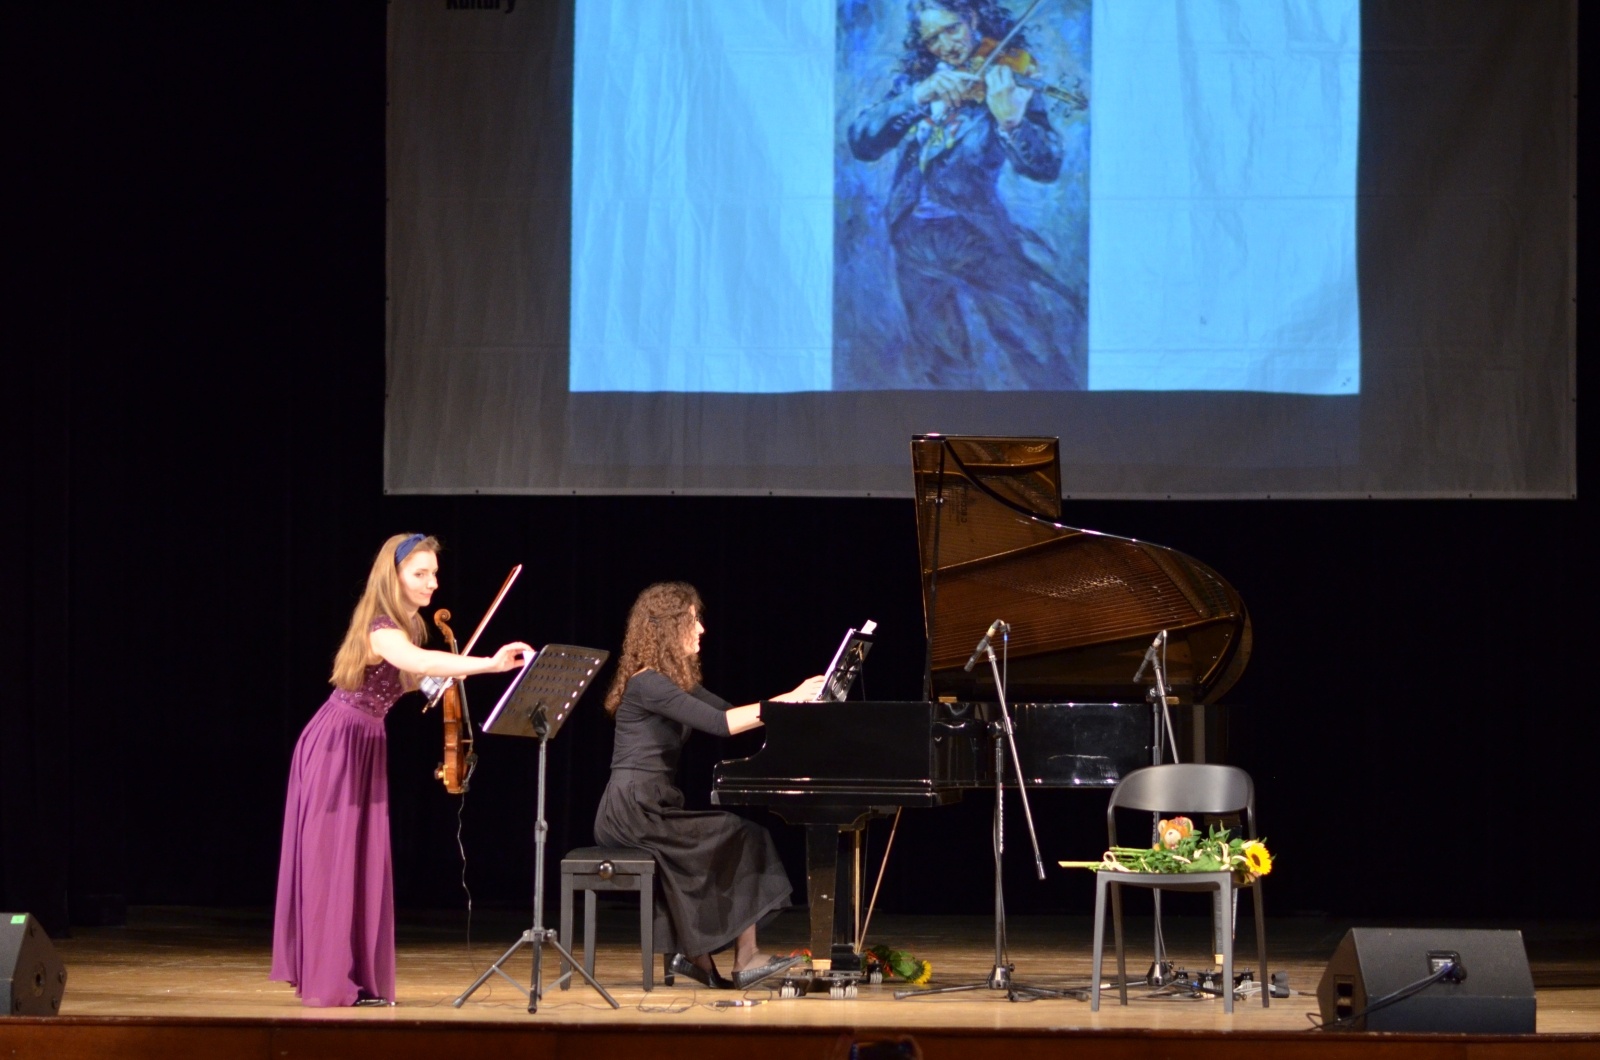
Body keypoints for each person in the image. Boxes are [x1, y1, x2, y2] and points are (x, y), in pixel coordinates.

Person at [270, 533, 533, 1007]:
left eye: (434, 573)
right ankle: (330, 981)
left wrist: (439, 679)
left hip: (365, 739)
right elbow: (412, 661)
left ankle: (352, 977)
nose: (433, 582)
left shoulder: (406, 626)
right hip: (337, 743)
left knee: (359, 860)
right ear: (393, 577)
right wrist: (488, 664)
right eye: (420, 573)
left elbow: (409, 676)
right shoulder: (380, 627)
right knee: (334, 862)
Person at [594, 582, 826, 989]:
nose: (701, 629)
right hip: (632, 810)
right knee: (741, 835)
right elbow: (723, 724)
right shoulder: (649, 683)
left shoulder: (673, 683)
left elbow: (731, 714)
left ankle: (695, 956)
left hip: (652, 804)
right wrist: (788, 699)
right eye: (692, 620)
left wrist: (792, 704)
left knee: (734, 837)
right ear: (667, 628)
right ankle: (742, 957)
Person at [847, 0, 1086, 389]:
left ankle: (1068, 430)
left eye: (952, 30)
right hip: (914, 239)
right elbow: (862, 142)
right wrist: (916, 97)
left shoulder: (1008, 75)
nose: (945, 45)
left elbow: (1046, 166)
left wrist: (1011, 121)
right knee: (943, 363)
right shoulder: (916, 83)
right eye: (932, 38)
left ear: (972, 18)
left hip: (980, 236)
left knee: (1032, 348)